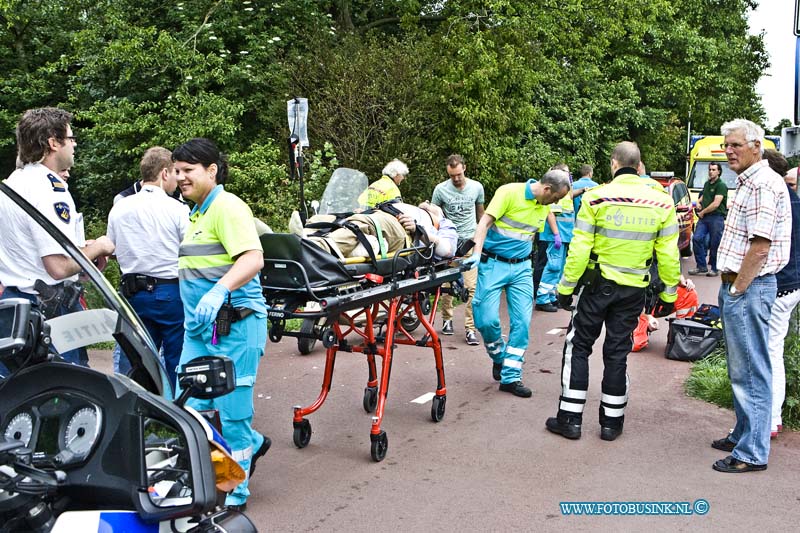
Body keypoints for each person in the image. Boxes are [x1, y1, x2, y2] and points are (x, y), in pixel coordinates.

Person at [546, 141, 681, 441]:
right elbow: (669, 255)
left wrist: (565, 289)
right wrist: (669, 296)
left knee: (578, 346)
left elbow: (580, 249)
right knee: (617, 353)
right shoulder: (661, 202)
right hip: (634, 290)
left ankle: (569, 419)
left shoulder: (595, 198)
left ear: (614, 164)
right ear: (640, 164)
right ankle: (611, 424)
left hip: (597, 288)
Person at [173, 138, 270, 510]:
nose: (180, 177)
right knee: (186, 405)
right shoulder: (195, 213)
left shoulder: (227, 207)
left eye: (188, 171)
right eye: (177, 170)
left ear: (211, 171)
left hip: (237, 326)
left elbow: (252, 259)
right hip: (199, 331)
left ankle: (235, 490)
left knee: (232, 413)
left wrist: (218, 292)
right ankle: (252, 444)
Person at [0, 107, 115, 368]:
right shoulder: (50, 189)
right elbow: (58, 267)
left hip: (14, 310)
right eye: (71, 139)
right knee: (66, 395)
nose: (74, 146)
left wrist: (80, 252)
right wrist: (98, 247)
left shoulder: (13, 183)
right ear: (53, 143)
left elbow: (27, 251)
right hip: (49, 314)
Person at [710, 119, 791, 473]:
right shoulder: (750, 182)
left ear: (757, 146)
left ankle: (752, 452)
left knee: (751, 371)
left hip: (749, 286)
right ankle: (744, 433)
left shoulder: (761, 184)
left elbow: (760, 247)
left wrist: (738, 288)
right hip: (744, 285)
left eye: (736, 145)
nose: (728, 151)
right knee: (742, 367)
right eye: (726, 145)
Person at [463, 169, 571, 398]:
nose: (557, 203)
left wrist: (555, 242)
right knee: (486, 320)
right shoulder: (508, 193)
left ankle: (511, 377)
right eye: (557, 198)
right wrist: (476, 252)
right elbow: (484, 223)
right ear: (547, 189)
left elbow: (529, 236)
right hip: (493, 264)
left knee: (522, 322)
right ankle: (500, 358)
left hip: (522, 268)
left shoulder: (544, 206)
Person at [107, 147, 189, 386]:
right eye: (175, 173)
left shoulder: (119, 207)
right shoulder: (177, 209)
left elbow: (111, 248)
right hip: (170, 292)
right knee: (177, 360)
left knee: (134, 360)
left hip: (132, 293)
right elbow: (190, 250)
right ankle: (176, 413)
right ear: (164, 173)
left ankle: (134, 410)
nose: (177, 179)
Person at [761, 151, 800, 439]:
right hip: (793, 284)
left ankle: (769, 418)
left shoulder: (775, 199)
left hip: (778, 284)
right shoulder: (795, 200)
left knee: (768, 352)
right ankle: (773, 416)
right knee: (774, 349)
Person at [431, 154, 485, 344]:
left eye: (458, 175)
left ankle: (470, 328)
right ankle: (447, 319)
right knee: (447, 285)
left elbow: (482, 216)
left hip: (470, 241)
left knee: (471, 287)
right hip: (449, 242)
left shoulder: (477, 187)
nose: (456, 178)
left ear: (464, 168)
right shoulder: (440, 190)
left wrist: (482, 240)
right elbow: (434, 217)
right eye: (452, 175)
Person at [304, 201, 457, 260]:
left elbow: (447, 251)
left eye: (432, 204)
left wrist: (419, 229)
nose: (427, 202)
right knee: (337, 220)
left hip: (402, 231)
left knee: (359, 224)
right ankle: (305, 234)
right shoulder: (414, 208)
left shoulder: (444, 223)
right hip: (383, 216)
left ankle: (314, 247)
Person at [536, 163, 575, 312]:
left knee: (559, 268)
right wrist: (557, 234)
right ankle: (542, 298)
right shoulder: (554, 190)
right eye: (565, 172)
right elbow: (549, 213)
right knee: (553, 266)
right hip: (555, 235)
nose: (568, 175)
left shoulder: (564, 191)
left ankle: (552, 297)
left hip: (564, 235)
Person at [689, 162, 727, 276]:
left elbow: (716, 203)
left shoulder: (721, 185)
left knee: (715, 244)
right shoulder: (707, 184)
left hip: (716, 217)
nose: (711, 171)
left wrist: (703, 212)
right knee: (697, 238)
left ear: (719, 172)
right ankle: (701, 266)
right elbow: (703, 197)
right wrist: (699, 203)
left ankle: (715, 268)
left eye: (713, 169)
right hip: (705, 217)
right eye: (710, 169)